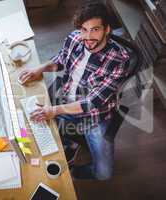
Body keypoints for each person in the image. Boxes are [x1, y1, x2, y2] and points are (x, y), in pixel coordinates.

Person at [19, 2, 130, 180]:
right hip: (64, 99)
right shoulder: (74, 38)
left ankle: (74, 172)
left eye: (95, 30)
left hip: (94, 116)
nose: (87, 37)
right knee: (29, 124)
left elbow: (91, 103)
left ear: (107, 29)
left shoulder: (119, 60)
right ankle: (69, 143)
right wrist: (40, 68)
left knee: (104, 174)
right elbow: (61, 61)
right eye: (83, 29)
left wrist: (54, 111)